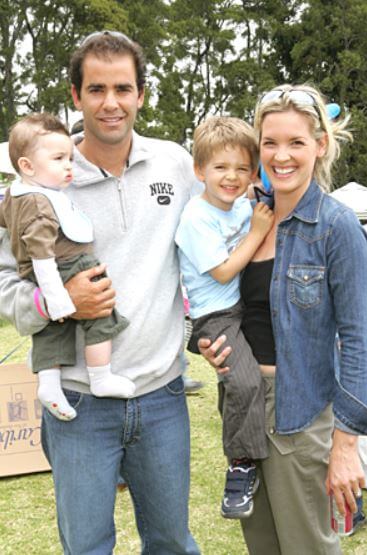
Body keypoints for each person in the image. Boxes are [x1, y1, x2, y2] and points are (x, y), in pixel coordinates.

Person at [0, 31, 200, 554]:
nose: (111, 103)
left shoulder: (175, 164)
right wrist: (55, 301)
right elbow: (4, 285)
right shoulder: (38, 180)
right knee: (86, 546)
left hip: (162, 395)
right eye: (96, 90)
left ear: (140, 94)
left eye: (123, 88)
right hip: (77, 404)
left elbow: (214, 234)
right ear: (75, 96)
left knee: (172, 544)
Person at [199, 84, 367, 554]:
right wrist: (216, 347)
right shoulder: (245, 219)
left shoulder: (337, 227)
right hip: (246, 413)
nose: (282, 155)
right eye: (270, 142)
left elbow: (359, 340)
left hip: (304, 416)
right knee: (264, 547)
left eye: (296, 142)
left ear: (320, 145)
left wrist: (345, 445)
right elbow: (225, 302)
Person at [0, 112, 133, 421]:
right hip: (69, 264)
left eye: (70, 158)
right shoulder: (41, 203)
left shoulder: (15, 195)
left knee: (51, 331)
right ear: (27, 166)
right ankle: (101, 376)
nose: (68, 166)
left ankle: (48, 385)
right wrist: (57, 297)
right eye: (59, 158)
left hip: (38, 274)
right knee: (101, 312)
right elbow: (43, 255)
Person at [176, 116, 274, 519]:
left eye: (241, 168)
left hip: (240, 309)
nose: (231, 177)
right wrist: (255, 231)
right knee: (245, 381)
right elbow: (222, 272)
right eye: (220, 167)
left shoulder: (240, 206)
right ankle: (240, 465)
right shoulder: (197, 217)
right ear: (200, 171)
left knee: (248, 378)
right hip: (215, 315)